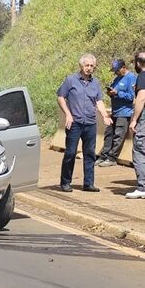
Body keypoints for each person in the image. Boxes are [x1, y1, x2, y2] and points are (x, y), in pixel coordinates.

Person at [56, 54, 113, 192]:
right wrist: (68, 114)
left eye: (91, 66)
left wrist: (105, 115)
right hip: (75, 122)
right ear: (81, 66)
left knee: (90, 153)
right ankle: (65, 182)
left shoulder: (95, 83)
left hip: (90, 123)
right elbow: (61, 97)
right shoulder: (71, 80)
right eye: (86, 65)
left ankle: (88, 183)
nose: (89, 68)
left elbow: (98, 101)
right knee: (70, 153)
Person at [96, 59, 136, 167]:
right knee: (108, 134)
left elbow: (132, 97)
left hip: (124, 112)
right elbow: (114, 91)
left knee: (118, 136)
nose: (116, 73)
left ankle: (112, 158)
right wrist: (111, 93)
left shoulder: (131, 78)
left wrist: (118, 93)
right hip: (115, 111)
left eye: (117, 70)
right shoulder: (117, 78)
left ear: (124, 67)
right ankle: (104, 155)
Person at [126, 52, 145, 199]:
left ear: (138, 63)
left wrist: (134, 120)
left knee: (139, 150)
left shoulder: (142, 76)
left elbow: (141, 98)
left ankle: (142, 186)